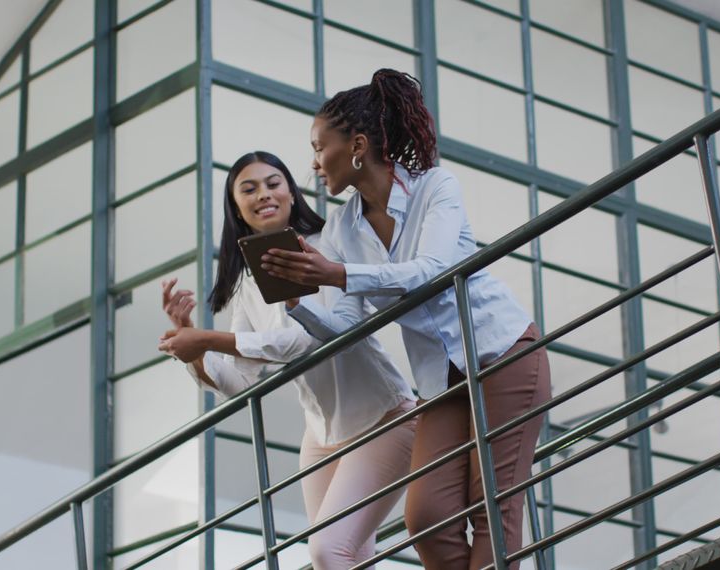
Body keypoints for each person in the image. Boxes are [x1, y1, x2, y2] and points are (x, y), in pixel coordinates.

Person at [262, 69, 552, 570]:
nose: (312, 164)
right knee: (427, 516)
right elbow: (349, 327)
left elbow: (433, 271)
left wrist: (337, 273)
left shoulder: (436, 187)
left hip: (503, 353)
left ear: (356, 145)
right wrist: (296, 301)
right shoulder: (342, 227)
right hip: (440, 381)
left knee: (495, 508)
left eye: (318, 147)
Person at [157, 151, 416, 569]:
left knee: (328, 551)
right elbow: (241, 381)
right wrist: (197, 346)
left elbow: (303, 341)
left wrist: (205, 337)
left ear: (292, 194)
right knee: (346, 557)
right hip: (321, 434)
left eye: (273, 183)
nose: (264, 194)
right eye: (249, 188)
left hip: (384, 418)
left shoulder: (325, 249)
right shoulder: (245, 283)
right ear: (237, 208)